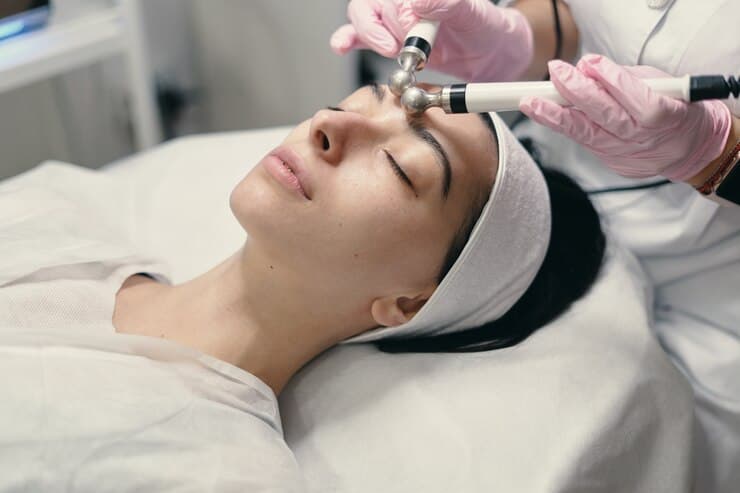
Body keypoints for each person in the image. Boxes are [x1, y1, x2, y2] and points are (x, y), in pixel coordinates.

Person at [0, 84, 605, 490]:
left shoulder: (215, 471)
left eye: (401, 167)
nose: (331, 124)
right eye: (362, 102)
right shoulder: (55, 219)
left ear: (409, 301)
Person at [330, 1, 739, 491]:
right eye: (351, 104)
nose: (327, 126)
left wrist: (717, 152)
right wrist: (524, 37)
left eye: (402, 169)